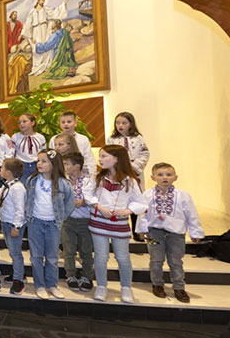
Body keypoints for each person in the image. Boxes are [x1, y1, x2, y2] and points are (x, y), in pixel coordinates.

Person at [84, 145, 147, 303]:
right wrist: (98, 206)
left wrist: (128, 211)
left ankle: (126, 288)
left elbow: (140, 203)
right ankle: (101, 286)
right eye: (101, 156)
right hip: (99, 223)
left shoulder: (130, 181)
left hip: (119, 225)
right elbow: (87, 194)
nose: (101, 159)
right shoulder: (97, 177)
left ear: (116, 159)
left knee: (123, 257)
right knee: (101, 257)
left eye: (104, 156)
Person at [136, 163, 204, 303]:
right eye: (160, 175)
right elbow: (143, 213)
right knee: (156, 260)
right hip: (154, 233)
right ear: (153, 177)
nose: (164, 178)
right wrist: (142, 229)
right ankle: (157, 284)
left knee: (175, 261)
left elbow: (191, 214)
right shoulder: (148, 194)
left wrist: (195, 232)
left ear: (175, 177)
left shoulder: (183, 196)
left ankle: (179, 287)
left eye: (168, 174)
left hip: (176, 234)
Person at [25, 149, 75, 300]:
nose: (39, 163)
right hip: (35, 223)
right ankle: (40, 285)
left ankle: (52, 285)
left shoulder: (63, 183)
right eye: (38, 160)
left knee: (52, 257)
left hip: (53, 224)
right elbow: (27, 199)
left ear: (53, 164)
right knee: (36, 256)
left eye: (44, 161)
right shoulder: (32, 181)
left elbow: (70, 203)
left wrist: (60, 218)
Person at [107, 111, 150, 240]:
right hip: (119, 172)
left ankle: (137, 232)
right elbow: (110, 155)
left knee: (135, 200)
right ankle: (119, 229)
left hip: (134, 173)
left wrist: (135, 166)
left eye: (124, 123)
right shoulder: (112, 139)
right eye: (118, 123)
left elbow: (145, 154)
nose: (120, 125)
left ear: (130, 124)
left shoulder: (138, 138)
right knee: (121, 201)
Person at [61, 152, 95, 292]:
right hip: (68, 220)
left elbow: (95, 198)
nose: (64, 166)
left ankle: (87, 276)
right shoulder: (63, 180)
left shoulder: (89, 180)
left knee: (86, 250)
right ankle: (71, 275)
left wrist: (85, 202)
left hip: (85, 220)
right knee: (68, 250)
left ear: (77, 166)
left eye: (67, 164)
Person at [21, 0, 70, 76]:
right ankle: (37, 66)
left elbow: (55, 12)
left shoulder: (45, 9)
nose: (43, 1)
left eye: (44, 0)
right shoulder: (32, 12)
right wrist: (29, 36)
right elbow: (28, 24)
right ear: (38, 0)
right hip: (35, 31)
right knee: (36, 47)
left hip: (44, 30)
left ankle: (46, 65)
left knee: (45, 45)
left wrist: (65, 3)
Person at [0, 159, 27, 295]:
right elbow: (2, 194)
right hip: (5, 221)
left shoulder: (18, 188)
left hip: (13, 224)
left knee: (15, 252)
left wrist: (16, 227)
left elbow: (20, 210)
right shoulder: (8, 185)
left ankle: (18, 280)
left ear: (8, 172)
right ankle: (19, 273)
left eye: (2, 168)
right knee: (12, 251)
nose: (0, 170)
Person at [49, 111, 96, 176]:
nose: (66, 124)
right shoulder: (54, 139)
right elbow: (51, 157)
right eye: (63, 122)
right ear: (59, 124)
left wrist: (91, 174)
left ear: (75, 123)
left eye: (69, 122)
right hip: (60, 173)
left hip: (80, 172)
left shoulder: (83, 139)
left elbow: (89, 158)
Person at [11, 113, 47, 185]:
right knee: (23, 186)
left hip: (36, 165)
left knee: (36, 185)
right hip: (21, 165)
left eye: (24, 121)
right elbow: (12, 153)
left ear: (33, 123)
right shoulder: (15, 137)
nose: (21, 124)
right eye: (19, 122)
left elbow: (44, 153)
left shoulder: (40, 137)